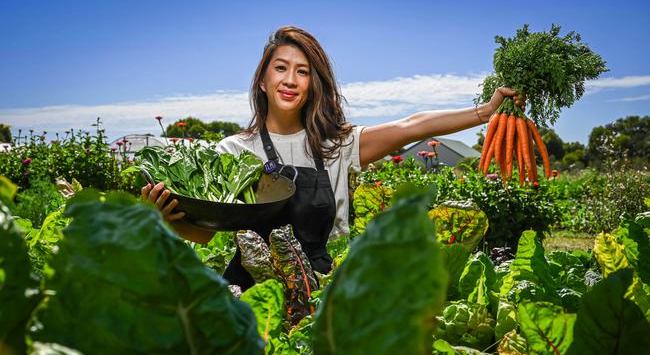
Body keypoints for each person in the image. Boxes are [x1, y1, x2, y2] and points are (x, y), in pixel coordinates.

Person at [142, 26, 524, 290]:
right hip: (254, 290)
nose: (290, 80)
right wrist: (166, 220)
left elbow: (412, 126)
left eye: (302, 72)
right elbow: (206, 231)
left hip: (324, 286)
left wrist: (483, 113)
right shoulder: (233, 152)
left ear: (312, 85)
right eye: (281, 68)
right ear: (263, 80)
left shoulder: (337, 146)